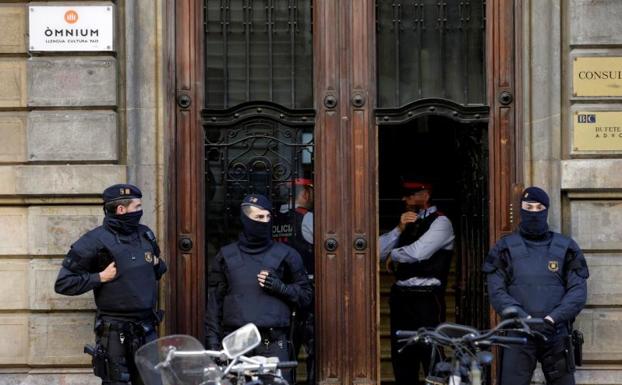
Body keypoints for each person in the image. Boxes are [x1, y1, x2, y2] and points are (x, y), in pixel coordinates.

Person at [55, 184, 167, 385]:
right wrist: (100, 277)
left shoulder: (145, 235)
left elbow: (157, 270)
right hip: (114, 334)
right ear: (121, 210)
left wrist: (158, 265)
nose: (140, 211)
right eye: (137, 207)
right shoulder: (93, 241)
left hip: (146, 329)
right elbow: (64, 283)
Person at [483, 186, 589, 385]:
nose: (533, 212)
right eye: (528, 207)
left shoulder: (566, 247)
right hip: (519, 333)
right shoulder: (504, 248)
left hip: (556, 333)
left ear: (546, 210)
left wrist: (552, 319)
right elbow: (497, 292)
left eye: (538, 207)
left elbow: (578, 292)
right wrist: (526, 319)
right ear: (521, 209)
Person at [206, 194, 312, 384]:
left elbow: (306, 297)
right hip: (236, 344)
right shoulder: (226, 256)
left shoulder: (287, 254)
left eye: (268, 217)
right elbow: (214, 305)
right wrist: (213, 345)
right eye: (258, 218)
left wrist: (280, 287)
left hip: (273, 343)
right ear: (245, 219)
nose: (265, 222)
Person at [379, 180, 455, 385]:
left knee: (431, 354)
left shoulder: (441, 222)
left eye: (410, 194)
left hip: (426, 298)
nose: (405, 199)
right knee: (402, 355)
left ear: (426, 195)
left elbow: (419, 252)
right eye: (405, 195)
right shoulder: (407, 221)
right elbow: (376, 250)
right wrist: (398, 229)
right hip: (401, 297)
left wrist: (393, 256)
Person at [272, 178, 315, 384]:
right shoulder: (307, 219)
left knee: (287, 350)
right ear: (305, 194)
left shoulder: (272, 219)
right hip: (306, 290)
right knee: (315, 349)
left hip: (278, 291)